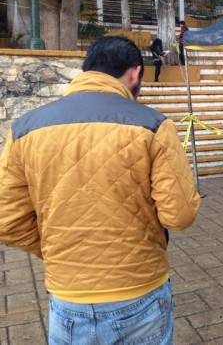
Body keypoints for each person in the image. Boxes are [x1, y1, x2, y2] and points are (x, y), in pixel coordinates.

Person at [0, 36, 201, 344]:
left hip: (67, 295)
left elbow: (7, 221)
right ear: (134, 74)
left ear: (87, 69)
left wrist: (60, 251)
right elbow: (180, 215)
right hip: (139, 288)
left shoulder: (24, 128)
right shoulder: (154, 125)